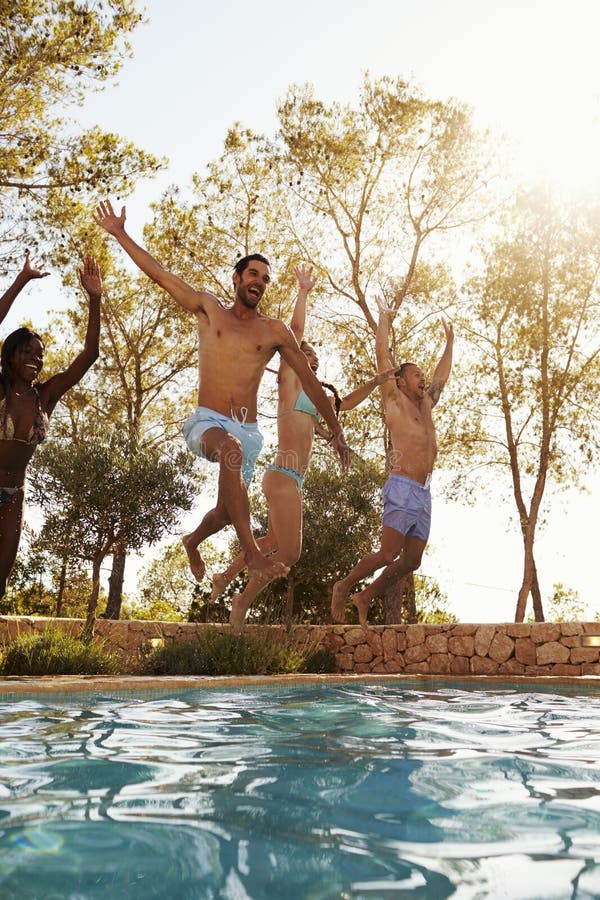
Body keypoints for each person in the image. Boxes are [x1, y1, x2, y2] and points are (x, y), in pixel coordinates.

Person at [93, 199, 351, 586]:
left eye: (265, 279)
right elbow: (161, 275)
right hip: (209, 423)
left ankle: (192, 541)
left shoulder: (274, 332)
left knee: (227, 511)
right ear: (236, 278)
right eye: (253, 274)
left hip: (249, 434)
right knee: (228, 449)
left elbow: (312, 384)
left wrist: (336, 429)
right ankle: (253, 555)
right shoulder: (209, 309)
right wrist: (120, 234)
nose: (259, 282)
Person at [212, 265, 399, 629]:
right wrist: (303, 292)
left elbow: (344, 404)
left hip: (292, 480)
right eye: (304, 354)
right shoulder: (290, 383)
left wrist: (377, 381)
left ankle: (227, 579)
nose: (310, 356)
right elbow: (293, 335)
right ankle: (242, 600)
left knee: (275, 544)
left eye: (314, 355)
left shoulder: (315, 398)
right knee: (290, 553)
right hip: (282, 474)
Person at [331, 296, 454, 627]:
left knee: (411, 560)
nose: (422, 379)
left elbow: (441, 377)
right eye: (416, 375)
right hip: (401, 487)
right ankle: (343, 587)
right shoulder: (394, 399)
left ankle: (366, 595)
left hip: (424, 492)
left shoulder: (425, 405)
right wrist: (384, 318)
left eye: (421, 375)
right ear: (400, 381)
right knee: (388, 554)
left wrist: (450, 343)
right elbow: (382, 354)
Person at [0, 252, 102, 598]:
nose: (35, 358)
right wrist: (22, 280)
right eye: (27, 351)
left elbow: (89, 355)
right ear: (10, 354)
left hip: (14, 495)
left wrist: (95, 299)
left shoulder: (46, 396)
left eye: (40, 354)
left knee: (1, 578)